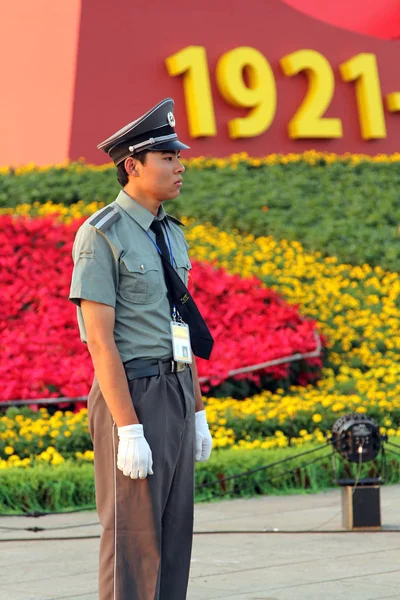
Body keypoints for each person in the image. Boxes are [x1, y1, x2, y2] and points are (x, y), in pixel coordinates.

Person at [69, 98, 214, 600]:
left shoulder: (171, 234)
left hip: (175, 388)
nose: (179, 166)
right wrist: (128, 427)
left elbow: (179, 326)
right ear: (132, 165)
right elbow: (100, 342)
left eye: (178, 156)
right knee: (134, 539)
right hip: (132, 394)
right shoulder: (101, 235)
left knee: (175, 536)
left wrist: (196, 410)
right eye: (167, 157)